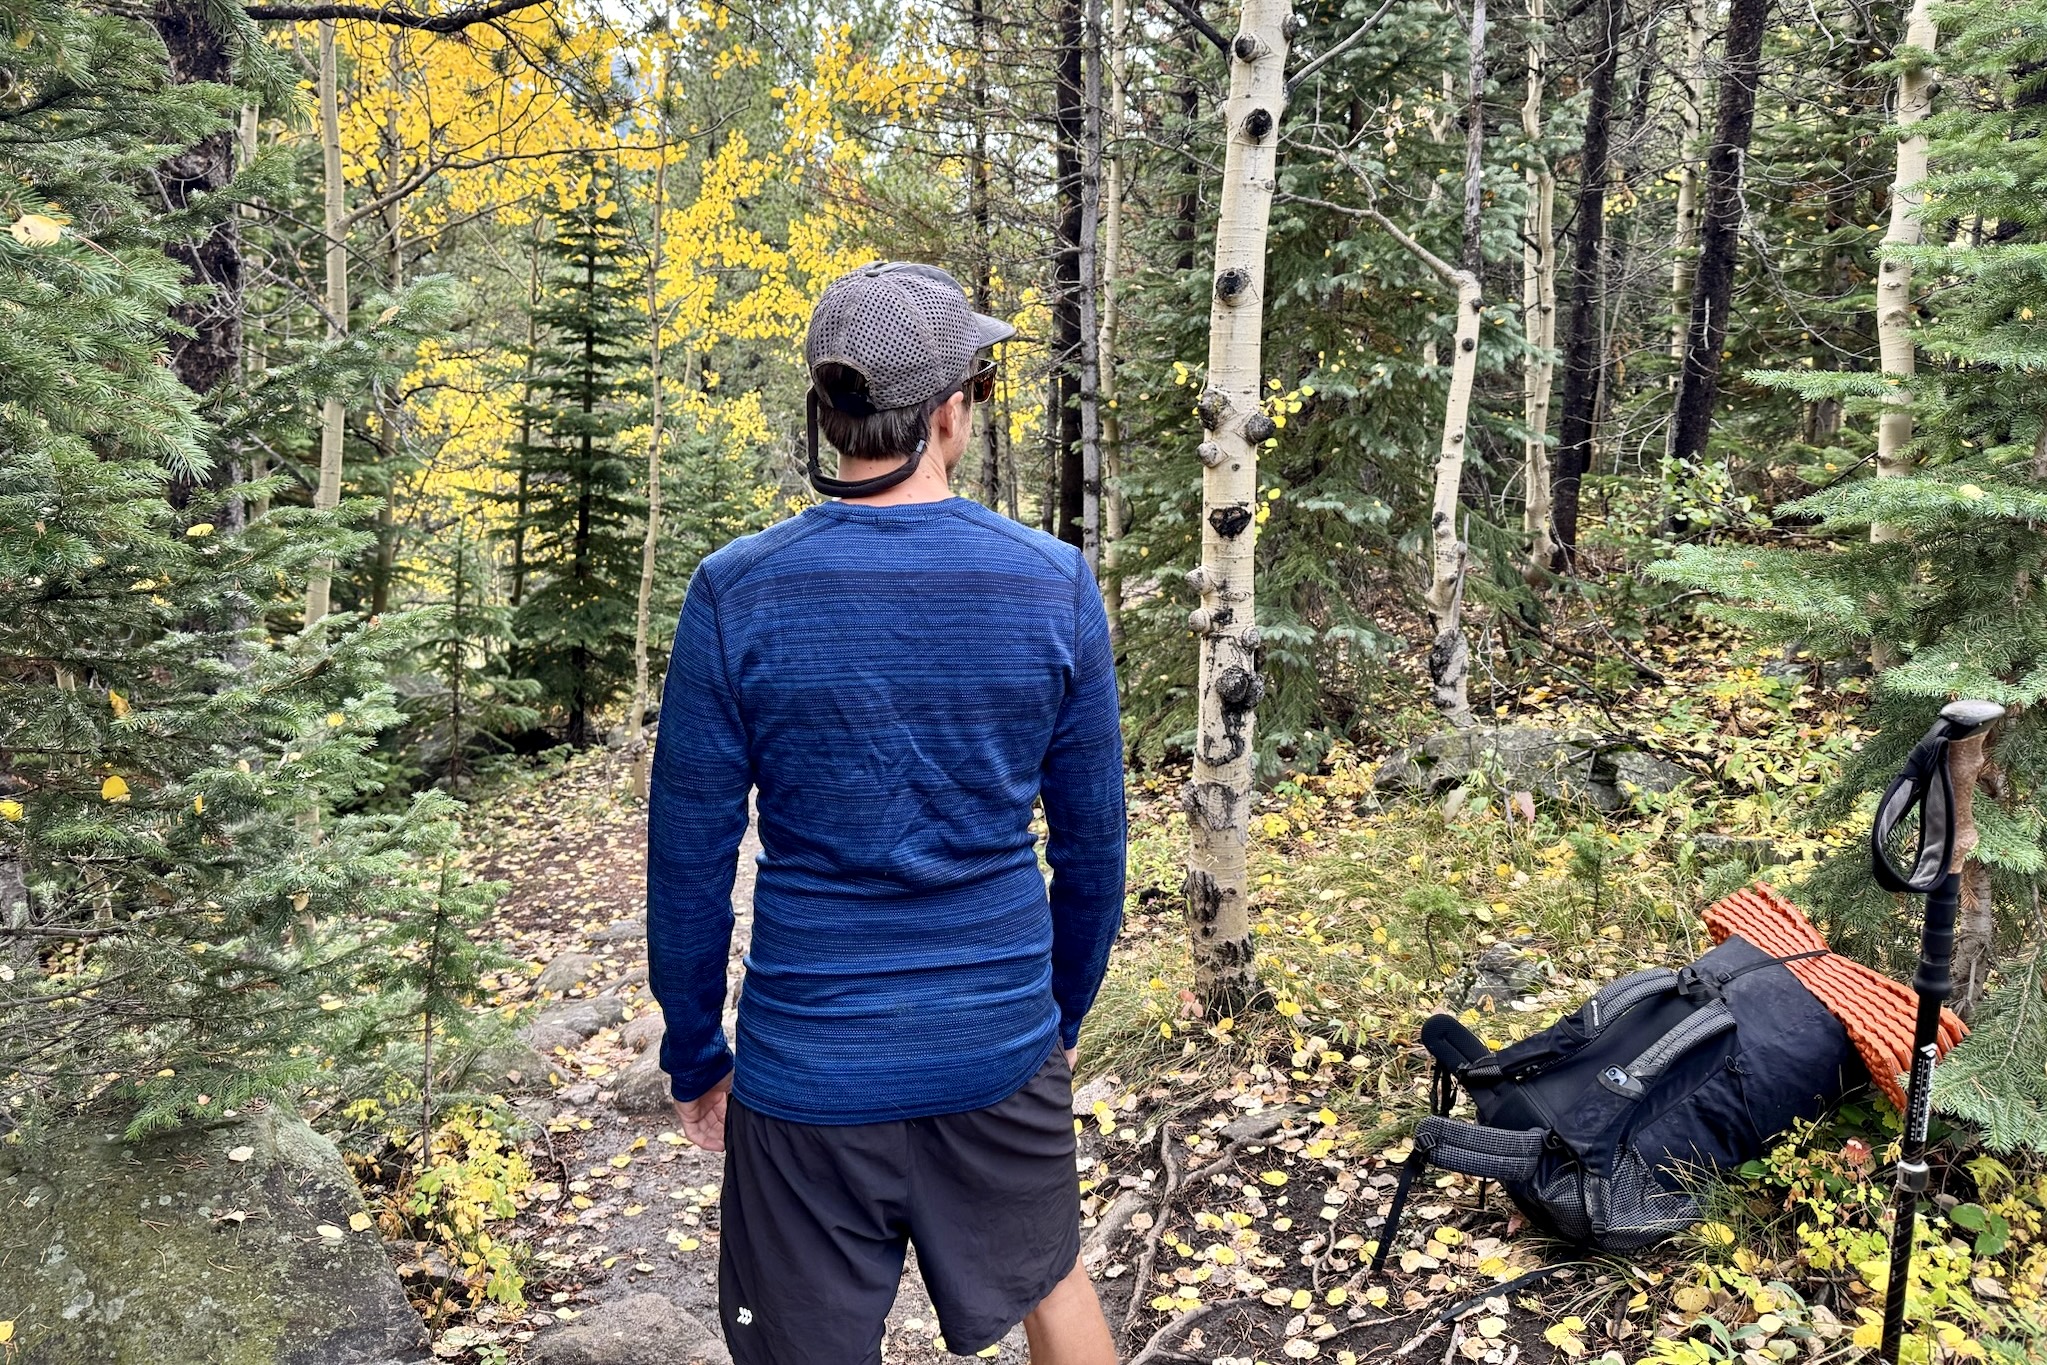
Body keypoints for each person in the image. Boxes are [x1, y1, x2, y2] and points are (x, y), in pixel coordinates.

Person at [646, 261, 1126, 1365]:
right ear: (952, 410)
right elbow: (1094, 849)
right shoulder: (1053, 583)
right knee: (1053, 1284)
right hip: (995, 1036)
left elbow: (688, 860)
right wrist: (1047, 1023)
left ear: (830, 416)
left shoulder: (738, 590)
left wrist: (694, 1052)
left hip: (810, 1060)